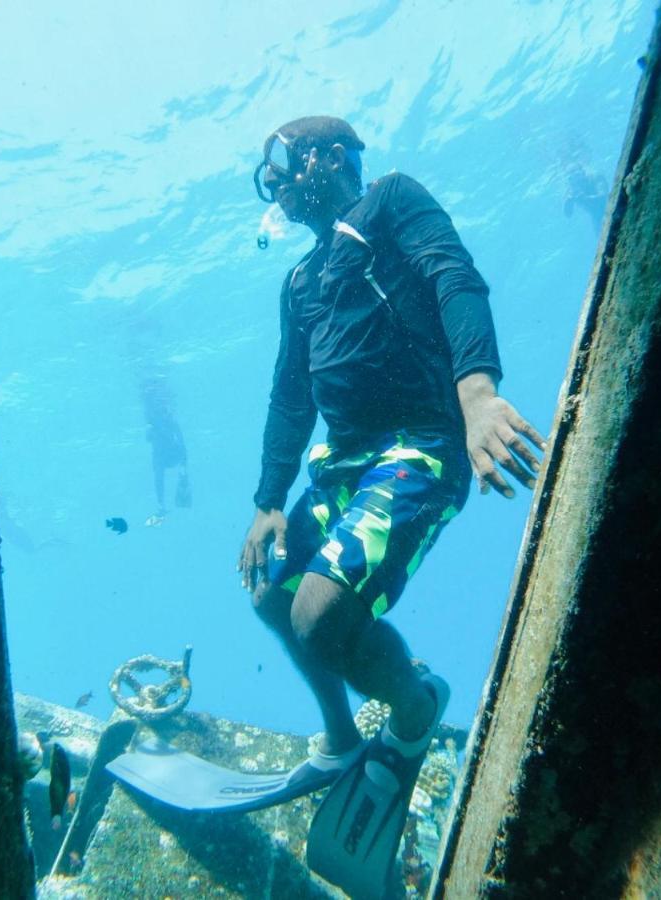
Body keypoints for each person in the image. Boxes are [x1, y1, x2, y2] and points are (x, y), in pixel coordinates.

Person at [237, 117, 546, 797]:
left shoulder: (391, 199)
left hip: (423, 446)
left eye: (289, 162)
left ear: (332, 155)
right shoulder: (297, 283)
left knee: (317, 619)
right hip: (343, 460)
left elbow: (453, 277)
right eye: (274, 176)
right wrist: (267, 502)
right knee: (268, 593)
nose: (280, 185)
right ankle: (342, 740)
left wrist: (478, 396)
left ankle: (415, 708)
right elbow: (290, 397)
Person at [141, 374, 191, 526]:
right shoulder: (161, 418)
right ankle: (162, 506)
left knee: (159, 473)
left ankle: (161, 506)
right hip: (167, 455)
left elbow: (180, 443)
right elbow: (181, 444)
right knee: (159, 472)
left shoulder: (164, 419)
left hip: (167, 455)